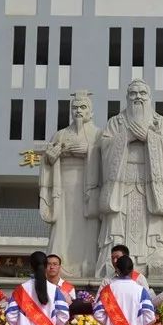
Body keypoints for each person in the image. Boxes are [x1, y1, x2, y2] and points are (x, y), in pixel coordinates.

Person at [95, 79, 163, 279]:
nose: (138, 97)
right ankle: (112, 260)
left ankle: (158, 259)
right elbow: (104, 147)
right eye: (133, 93)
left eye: (142, 93)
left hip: (151, 183)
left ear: (149, 97)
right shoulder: (116, 122)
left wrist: (150, 137)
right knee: (117, 223)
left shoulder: (160, 122)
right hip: (121, 183)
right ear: (127, 97)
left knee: (154, 225)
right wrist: (127, 136)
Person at [40, 90, 101, 278]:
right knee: (63, 226)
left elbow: (109, 161)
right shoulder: (60, 135)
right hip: (64, 186)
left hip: (88, 187)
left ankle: (88, 265)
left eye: (83, 107)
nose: (78, 111)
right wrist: (51, 157)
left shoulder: (98, 135)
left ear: (91, 111)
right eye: (75, 107)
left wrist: (90, 151)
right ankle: (59, 265)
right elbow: (47, 161)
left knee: (88, 227)